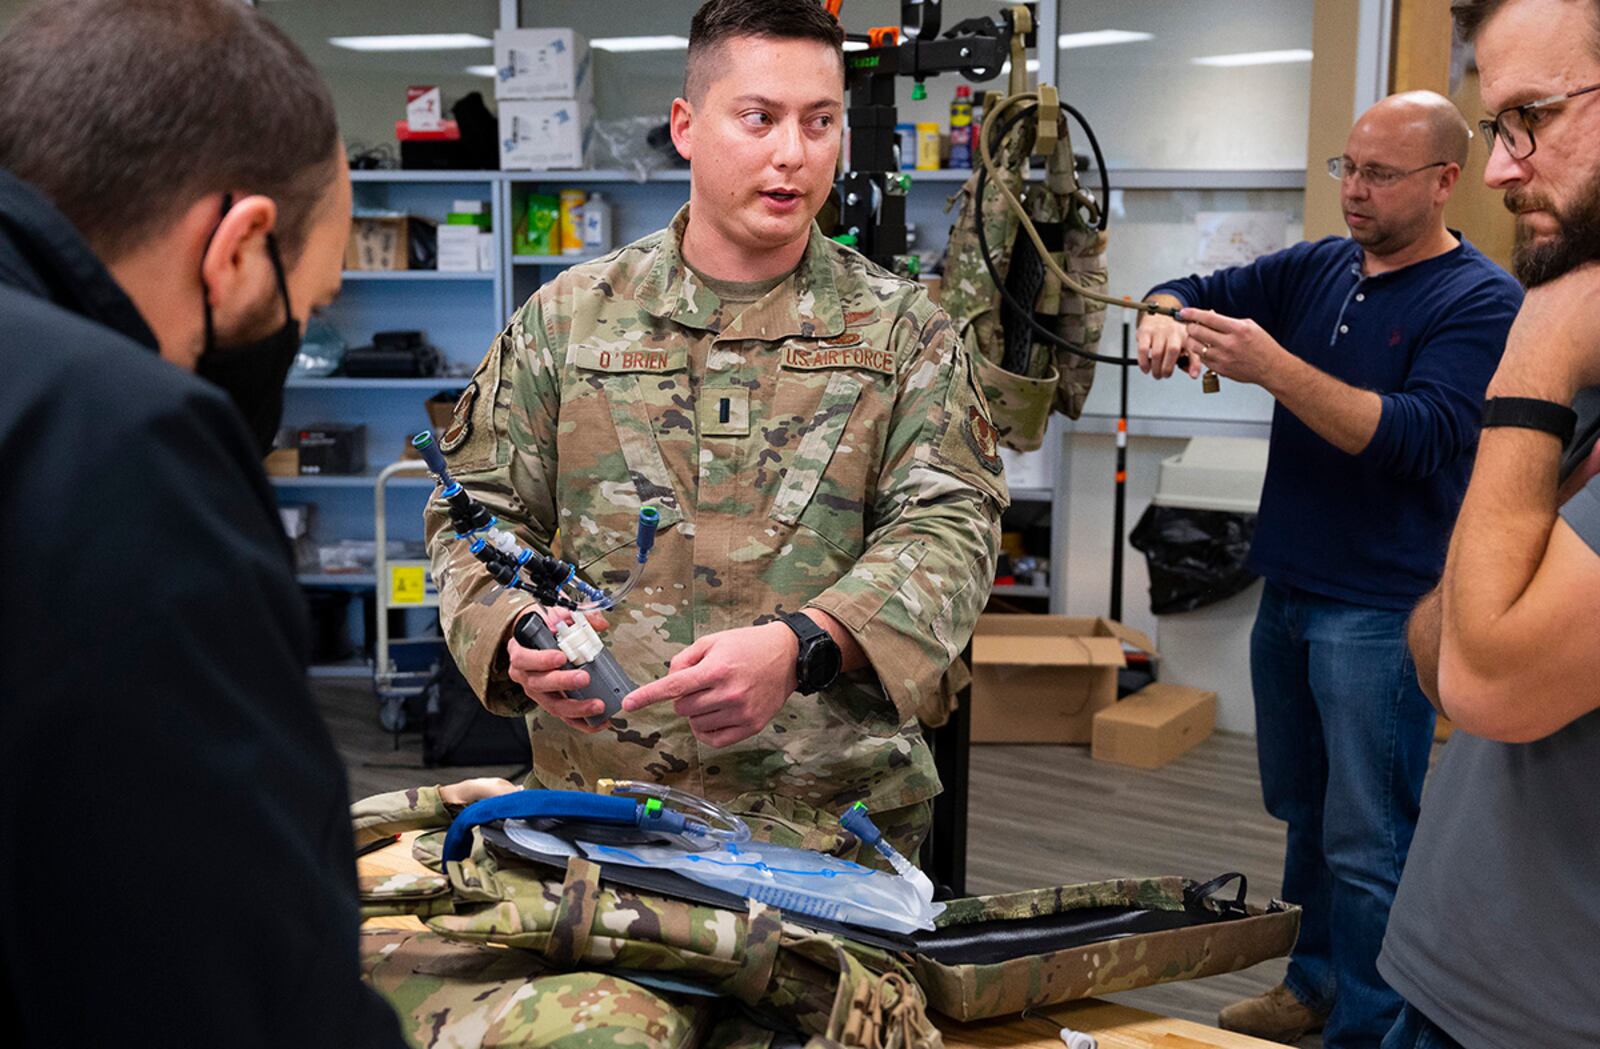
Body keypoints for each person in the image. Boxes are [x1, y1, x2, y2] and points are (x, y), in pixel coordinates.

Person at [426, 0, 1005, 864]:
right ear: (687, 127)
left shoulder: (903, 333)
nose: (792, 153)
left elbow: (952, 528)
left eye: (819, 122)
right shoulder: (569, 320)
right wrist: (515, 630)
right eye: (759, 118)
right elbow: (473, 510)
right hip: (603, 819)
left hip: (831, 833)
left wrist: (806, 644)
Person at [0, 2, 405, 1045]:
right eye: (307, 303)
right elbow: (235, 971)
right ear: (237, 248)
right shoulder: (110, 436)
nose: (297, 335)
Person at [1136, 92, 1523, 1046]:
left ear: (1445, 180)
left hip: (1382, 608)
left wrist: (1272, 367)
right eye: (1347, 168)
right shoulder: (1319, 266)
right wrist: (1163, 314)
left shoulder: (1481, 301)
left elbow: (1414, 437)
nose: (1354, 189)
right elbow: (1190, 282)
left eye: (1380, 174)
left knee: (1369, 840)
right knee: (1303, 812)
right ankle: (1313, 985)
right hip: (1292, 588)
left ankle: (1371, 1027)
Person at [1378, 2, 1600, 1046]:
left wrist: (1538, 348)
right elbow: (1442, 643)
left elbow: (1480, 676)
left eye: (1533, 118)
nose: (1504, 169)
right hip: (1458, 977)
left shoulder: (1557, 335)